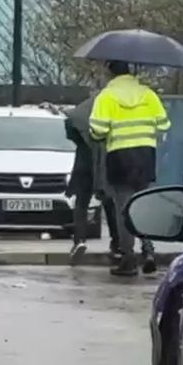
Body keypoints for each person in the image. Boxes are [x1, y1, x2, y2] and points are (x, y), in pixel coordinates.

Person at [88, 61, 170, 277]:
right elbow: (163, 124)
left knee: (124, 210)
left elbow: (98, 129)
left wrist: (101, 135)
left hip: (120, 157)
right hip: (145, 156)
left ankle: (128, 259)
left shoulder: (106, 97)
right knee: (143, 206)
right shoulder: (148, 94)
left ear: (110, 74)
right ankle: (149, 251)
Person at [64, 93, 122, 264]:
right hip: (105, 159)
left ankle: (79, 240)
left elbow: (70, 128)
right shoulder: (111, 107)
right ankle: (116, 243)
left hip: (84, 160)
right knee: (109, 202)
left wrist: (84, 141)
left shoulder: (82, 110)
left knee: (82, 202)